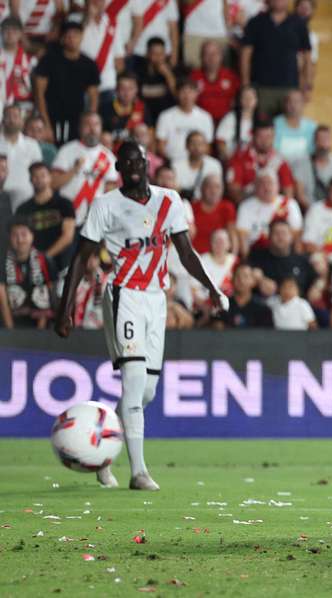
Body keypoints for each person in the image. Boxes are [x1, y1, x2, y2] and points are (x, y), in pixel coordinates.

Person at [54, 140, 228, 491]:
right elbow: (80, 256)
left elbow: (186, 252)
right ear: (118, 169)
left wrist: (211, 287)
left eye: (138, 160)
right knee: (133, 383)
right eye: (126, 161)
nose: (133, 165)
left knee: (146, 392)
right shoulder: (106, 205)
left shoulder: (170, 200)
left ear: (147, 164)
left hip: (156, 300)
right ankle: (139, 472)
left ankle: (103, 452)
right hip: (124, 295)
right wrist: (66, 307)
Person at [240, 0, 313, 117]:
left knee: (288, 128)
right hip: (262, 88)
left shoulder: (299, 24)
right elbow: (245, 55)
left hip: (290, 88)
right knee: (262, 129)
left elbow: (308, 58)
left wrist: (307, 86)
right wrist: (246, 85)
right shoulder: (255, 22)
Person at [32, 20, 100, 143]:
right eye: (68, 35)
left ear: (81, 37)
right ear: (62, 38)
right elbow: (39, 94)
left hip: (77, 120)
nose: (72, 39)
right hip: (52, 116)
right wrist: (46, 124)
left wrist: (88, 125)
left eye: (76, 35)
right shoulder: (49, 60)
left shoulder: (89, 64)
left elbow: (93, 98)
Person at [51, 112, 119, 226]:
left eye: (96, 124)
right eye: (87, 124)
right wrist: (74, 170)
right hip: (68, 220)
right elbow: (53, 184)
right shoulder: (66, 151)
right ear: (80, 128)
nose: (92, 129)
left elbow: (111, 194)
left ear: (101, 128)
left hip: (97, 222)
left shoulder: (109, 157)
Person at [14, 162, 76, 270]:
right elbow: (17, 237)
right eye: (35, 176)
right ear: (30, 179)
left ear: (50, 177)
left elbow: (68, 237)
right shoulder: (22, 209)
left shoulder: (64, 204)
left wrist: (45, 257)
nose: (39, 179)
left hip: (61, 264)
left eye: (43, 175)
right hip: (32, 267)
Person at [0, 218, 58, 329]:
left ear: (32, 236)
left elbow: (52, 295)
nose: (20, 240)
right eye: (15, 235)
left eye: (24, 234)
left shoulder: (45, 260)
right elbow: (2, 299)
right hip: (10, 324)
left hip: (42, 327)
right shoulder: (2, 261)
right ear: (9, 238)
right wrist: (11, 332)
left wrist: (39, 333)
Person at [154, 79, 214, 163]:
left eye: (190, 92)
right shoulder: (165, 116)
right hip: (172, 162)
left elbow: (207, 147)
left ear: (197, 93)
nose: (187, 96)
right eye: (183, 92)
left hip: (197, 162)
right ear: (177, 94)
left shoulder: (205, 117)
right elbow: (160, 145)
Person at [0, 103, 42, 209]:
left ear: (22, 120)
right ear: (2, 120)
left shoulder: (32, 145)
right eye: (8, 116)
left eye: (15, 116)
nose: (12, 120)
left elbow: (38, 173)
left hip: (26, 199)